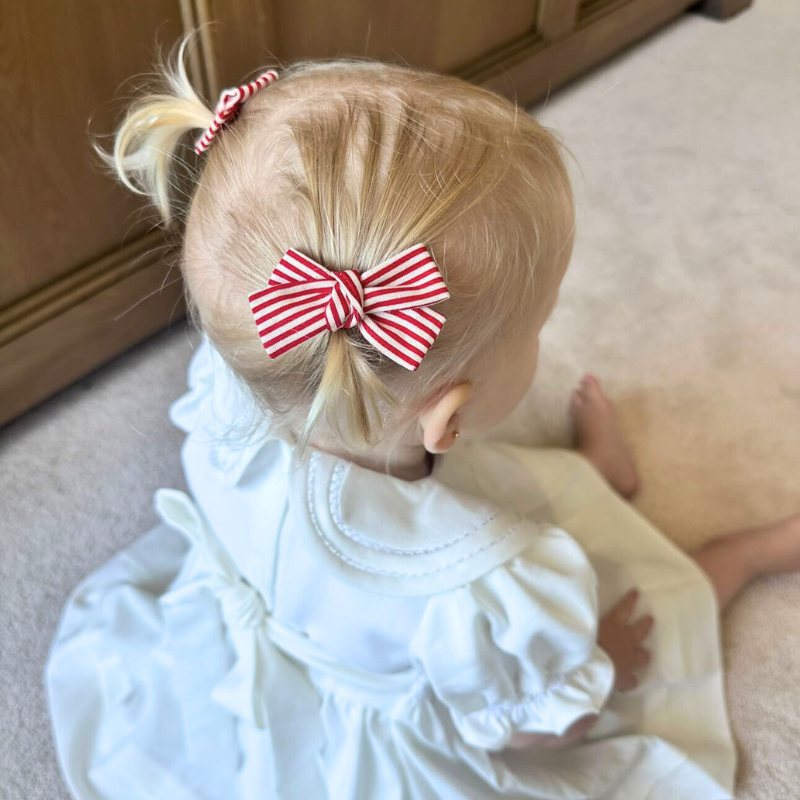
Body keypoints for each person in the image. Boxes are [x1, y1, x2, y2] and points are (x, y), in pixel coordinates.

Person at [46, 38, 800, 800]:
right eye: (538, 328)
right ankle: (737, 558)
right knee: (653, 618)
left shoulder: (228, 397)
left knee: (510, 492)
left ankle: (595, 477)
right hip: (387, 714)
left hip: (293, 615)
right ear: (448, 421)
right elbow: (534, 724)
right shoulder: (479, 593)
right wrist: (595, 658)